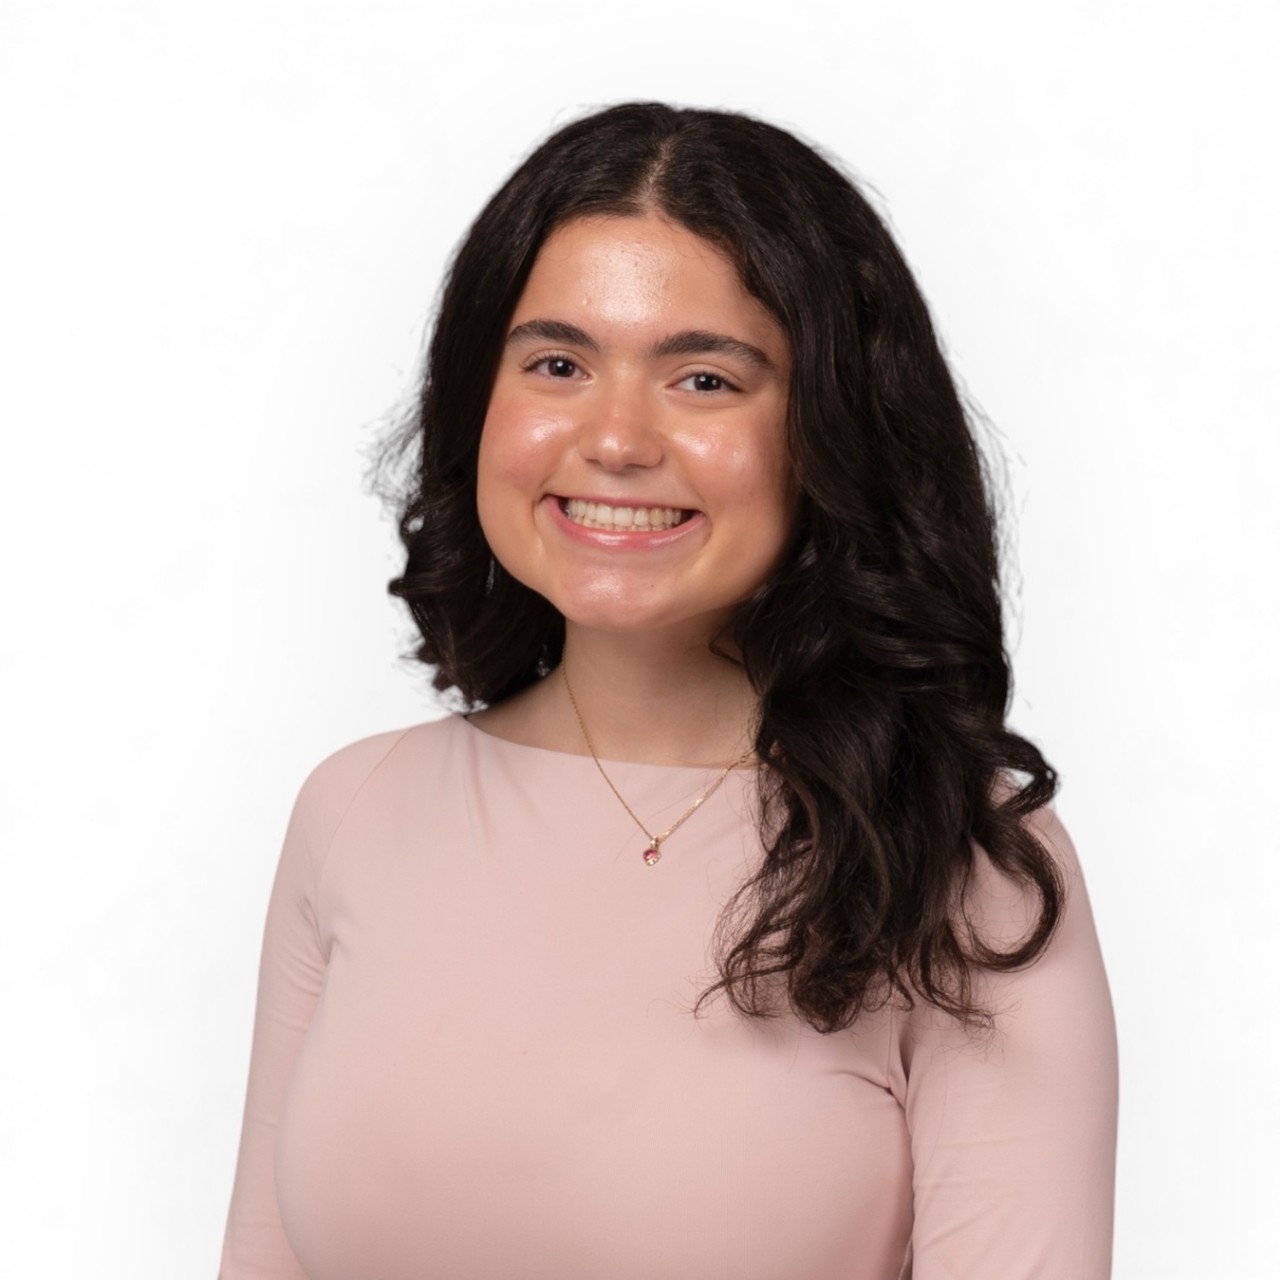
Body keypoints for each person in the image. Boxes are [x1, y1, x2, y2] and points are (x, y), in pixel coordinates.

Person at [219, 102, 1117, 1279]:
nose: (617, 438)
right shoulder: (358, 809)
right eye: (556, 363)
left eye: (702, 376)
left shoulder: (959, 865)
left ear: (830, 432)